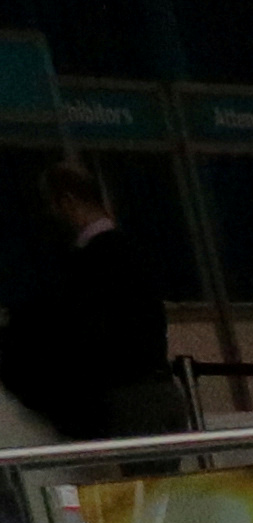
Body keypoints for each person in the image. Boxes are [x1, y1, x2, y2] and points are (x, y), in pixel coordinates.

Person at [4, 162, 176, 441]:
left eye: (52, 206)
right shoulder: (133, 251)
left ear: (67, 202)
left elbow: (87, 331)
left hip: (128, 399)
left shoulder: (91, 263)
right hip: (157, 390)